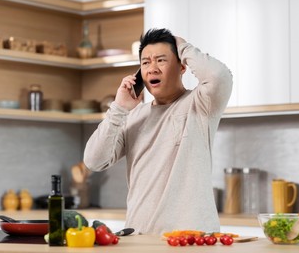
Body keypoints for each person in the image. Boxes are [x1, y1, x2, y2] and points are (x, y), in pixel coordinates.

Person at [84, 28, 233, 235]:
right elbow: (94, 160)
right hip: (140, 237)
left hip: (192, 239)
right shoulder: (133, 116)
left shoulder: (200, 104)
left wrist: (183, 46)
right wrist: (118, 109)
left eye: (161, 60)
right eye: (145, 63)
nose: (152, 68)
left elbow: (218, 76)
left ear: (182, 66)